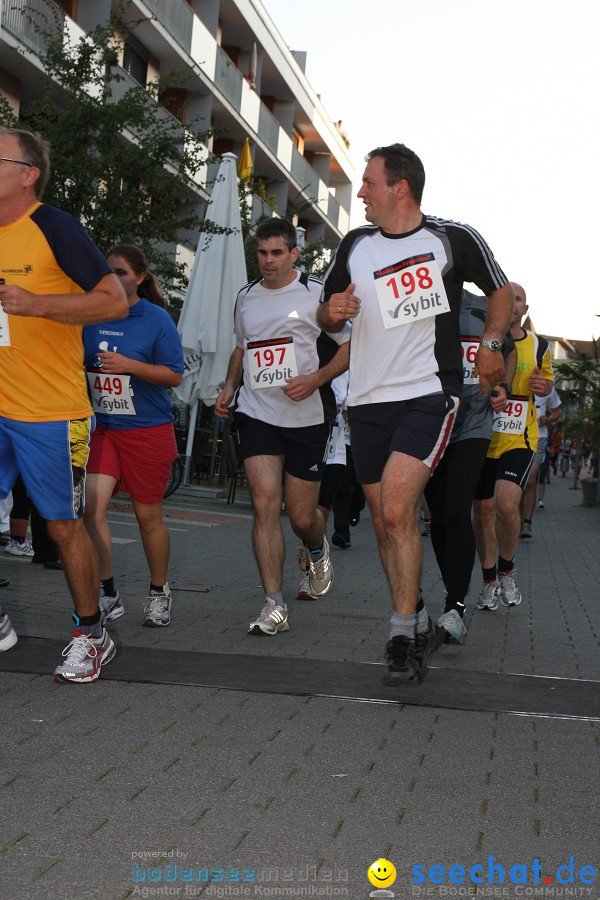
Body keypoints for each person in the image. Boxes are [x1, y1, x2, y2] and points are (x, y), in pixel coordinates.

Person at [317, 142, 514, 686]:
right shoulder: (354, 245)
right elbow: (327, 316)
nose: (360, 192)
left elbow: (499, 289)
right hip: (367, 401)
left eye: (367, 183)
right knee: (384, 519)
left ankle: (402, 634)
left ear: (399, 187)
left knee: (401, 509)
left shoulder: (452, 238)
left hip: (430, 393)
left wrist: (494, 339)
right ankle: (419, 613)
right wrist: (329, 312)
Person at [0, 126, 128, 676]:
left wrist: (36, 303)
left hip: (50, 410)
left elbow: (114, 302)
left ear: (27, 173)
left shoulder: (53, 226)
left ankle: (91, 632)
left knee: (60, 526)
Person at [215, 218, 350, 635]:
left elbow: (349, 347)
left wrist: (315, 380)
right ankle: (274, 603)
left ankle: (315, 546)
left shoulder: (315, 295)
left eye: (277, 253)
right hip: (257, 412)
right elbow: (242, 347)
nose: (268, 261)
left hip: (307, 416)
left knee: (301, 515)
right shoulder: (246, 297)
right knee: (263, 503)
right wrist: (230, 386)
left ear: (294, 254)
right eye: (262, 253)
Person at [83, 245, 184, 628]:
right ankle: (107, 590)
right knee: (92, 508)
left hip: (147, 430)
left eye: (121, 272)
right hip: (104, 429)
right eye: (108, 272)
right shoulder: (92, 313)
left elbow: (174, 375)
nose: (114, 278)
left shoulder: (156, 319)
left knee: (147, 517)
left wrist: (130, 366)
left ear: (139, 277)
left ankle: (159, 591)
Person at [425, 290, 516, 643]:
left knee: (457, 509)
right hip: (430, 422)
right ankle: (454, 585)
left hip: (473, 424)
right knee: (439, 517)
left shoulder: (483, 306)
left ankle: (455, 606)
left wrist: (504, 386)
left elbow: (507, 350)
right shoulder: (423, 299)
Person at [473, 283, 553, 609]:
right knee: (482, 512)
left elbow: (547, 382)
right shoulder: (485, 341)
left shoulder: (539, 344)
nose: (513, 304)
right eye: (508, 299)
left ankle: (507, 571)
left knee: (507, 505)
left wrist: (544, 384)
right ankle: (489, 580)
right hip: (481, 435)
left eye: (518, 299)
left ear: (525, 308)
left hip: (520, 437)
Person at [520, 386, 561, 531]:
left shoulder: (546, 387)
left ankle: (527, 521)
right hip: (516, 435)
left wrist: (548, 420)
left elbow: (557, 411)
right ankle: (517, 517)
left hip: (539, 437)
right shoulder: (516, 379)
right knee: (519, 482)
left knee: (530, 480)